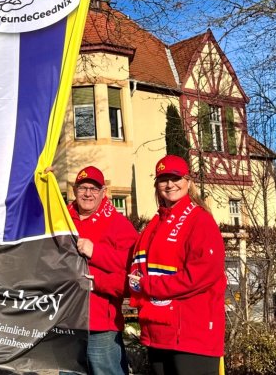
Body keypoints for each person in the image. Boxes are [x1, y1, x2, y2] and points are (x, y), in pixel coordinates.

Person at [127, 155, 226, 375]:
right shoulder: (154, 224)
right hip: (158, 332)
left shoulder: (200, 220)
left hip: (192, 335)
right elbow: (136, 268)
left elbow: (201, 275)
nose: (170, 184)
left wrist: (149, 286)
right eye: (163, 179)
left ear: (188, 182)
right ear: (157, 185)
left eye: (176, 177)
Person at [67, 166, 138, 375]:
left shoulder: (118, 223)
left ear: (103, 192)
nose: (88, 193)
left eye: (94, 188)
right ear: (74, 190)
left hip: (101, 325)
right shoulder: (62, 219)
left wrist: (95, 253)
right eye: (82, 188)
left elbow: (132, 272)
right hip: (67, 322)